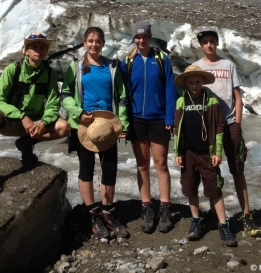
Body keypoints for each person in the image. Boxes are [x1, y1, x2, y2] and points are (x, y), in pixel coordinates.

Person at [0, 33, 71, 197]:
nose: (39, 49)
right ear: (26, 51)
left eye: (43, 47)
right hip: (11, 121)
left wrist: (43, 123)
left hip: (35, 125)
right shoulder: (14, 69)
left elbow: (52, 104)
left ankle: (26, 143)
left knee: (64, 127)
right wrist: (22, 116)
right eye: (34, 46)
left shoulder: (50, 74)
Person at [194, 29, 261, 237]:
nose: (209, 45)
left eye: (212, 41)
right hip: (209, 126)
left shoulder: (228, 65)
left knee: (237, 169)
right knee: (211, 172)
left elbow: (237, 97)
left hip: (230, 122)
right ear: (201, 45)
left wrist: (238, 123)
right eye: (205, 42)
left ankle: (246, 214)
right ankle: (217, 213)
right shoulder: (197, 67)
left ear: (217, 43)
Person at [61, 26, 129, 239]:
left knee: (109, 169)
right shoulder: (76, 66)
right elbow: (65, 94)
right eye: (90, 41)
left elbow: (121, 96)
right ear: (84, 42)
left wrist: (123, 123)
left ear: (103, 43)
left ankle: (108, 212)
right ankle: (93, 214)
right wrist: (77, 112)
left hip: (107, 124)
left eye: (98, 41)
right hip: (83, 125)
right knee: (86, 169)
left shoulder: (112, 67)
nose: (94, 44)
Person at [120, 20, 177, 234]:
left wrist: (170, 118)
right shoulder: (128, 61)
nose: (140, 39)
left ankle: (164, 208)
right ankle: (146, 208)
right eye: (137, 36)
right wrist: (123, 120)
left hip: (159, 118)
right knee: (142, 164)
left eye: (144, 36)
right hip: (136, 119)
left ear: (150, 38)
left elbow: (171, 89)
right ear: (134, 38)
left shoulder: (161, 59)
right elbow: (123, 93)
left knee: (161, 163)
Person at [173, 65, 237, 246]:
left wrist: (217, 151)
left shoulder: (211, 100)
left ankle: (223, 224)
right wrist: (177, 152)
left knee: (214, 188)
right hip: (188, 153)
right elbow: (178, 129)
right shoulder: (181, 101)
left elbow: (218, 125)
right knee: (190, 188)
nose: (195, 85)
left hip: (207, 153)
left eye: (198, 81)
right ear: (186, 83)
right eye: (191, 82)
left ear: (203, 82)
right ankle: (196, 220)